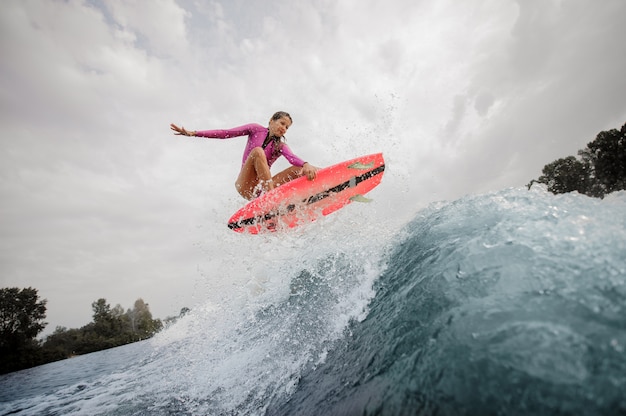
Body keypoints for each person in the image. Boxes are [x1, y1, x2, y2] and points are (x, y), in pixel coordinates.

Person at [170, 111, 318, 200]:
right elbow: (225, 133)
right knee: (258, 151)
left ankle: (332, 177)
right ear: (271, 120)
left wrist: (306, 164)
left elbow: (292, 158)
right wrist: (194, 133)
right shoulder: (255, 129)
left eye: (287, 127)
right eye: (282, 123)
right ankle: (270, 198)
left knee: (298, 169)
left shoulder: (280, 146)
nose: (284, 128)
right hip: (246, 186)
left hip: (264, 188)